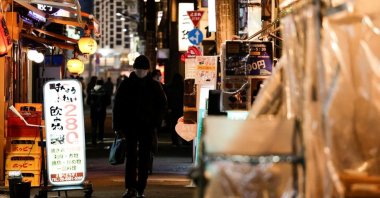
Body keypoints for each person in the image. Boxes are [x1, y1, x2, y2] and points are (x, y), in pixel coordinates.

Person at [113, 55, 167, 198]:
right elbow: (117, 106)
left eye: (143, 69)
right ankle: (131, 187)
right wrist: (118, 126)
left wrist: (156, 122)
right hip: (130, 126)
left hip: (147, 127)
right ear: (134, 69)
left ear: (147, 70)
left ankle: (140, 188)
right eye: (139, 69)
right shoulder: (127, 84)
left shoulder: (154, 86)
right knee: (131, 157)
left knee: (144, 158)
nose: (141, 72)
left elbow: (162, 105)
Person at [88, 79, 110, 145]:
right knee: (101, 125)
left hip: (93, 111)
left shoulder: (92, 90)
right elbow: (108, 102)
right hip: (102, 111)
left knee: (94, 125)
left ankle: (93, 138)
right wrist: (103, 104)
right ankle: (100, 138)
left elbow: (88, 101)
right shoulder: (105, 91)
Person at [166, 73, 184, 146]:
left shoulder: (169, 87)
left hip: (173, 109)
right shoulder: (182, 86)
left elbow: (168, 98)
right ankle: (183, 140)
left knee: (174, 125)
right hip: (180, 108)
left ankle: (175, 140)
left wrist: (169, 107)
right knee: (182, 124)